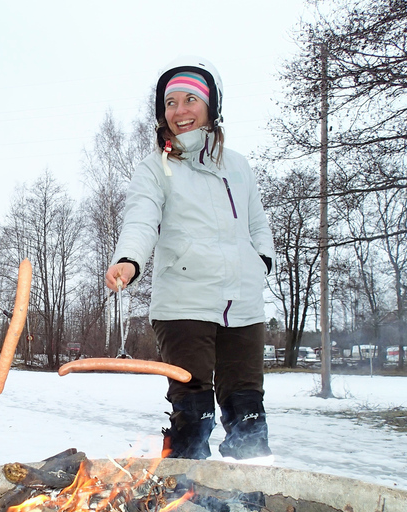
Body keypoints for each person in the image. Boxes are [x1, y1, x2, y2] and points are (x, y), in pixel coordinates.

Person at [105, 56, 275, 464]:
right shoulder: (155, 169)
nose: (179, 111)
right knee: (193, 410)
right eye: (170, 103)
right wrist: (128, 260)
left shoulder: (238, 166)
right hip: (183, 302)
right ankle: (183, 493)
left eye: (189, 100)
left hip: (244, 304)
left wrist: (261, 262)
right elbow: (141, 220)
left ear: (210, 105)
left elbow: (258, 225)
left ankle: (247, 492)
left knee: (247, 408)